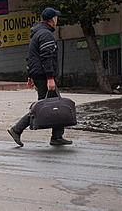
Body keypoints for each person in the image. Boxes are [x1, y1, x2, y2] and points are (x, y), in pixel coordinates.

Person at [7, 8, 73, 147]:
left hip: (38, 74)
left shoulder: (37, 32)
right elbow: (46, 57)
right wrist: (50, 78)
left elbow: (31, 56)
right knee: (48, 105)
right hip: (44, 76)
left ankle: (57, 136)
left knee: (53, 103)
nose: (57, 19)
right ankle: (17, 129)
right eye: (56, 17)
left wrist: (30, 74)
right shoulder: (45, 34)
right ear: (53, 19)